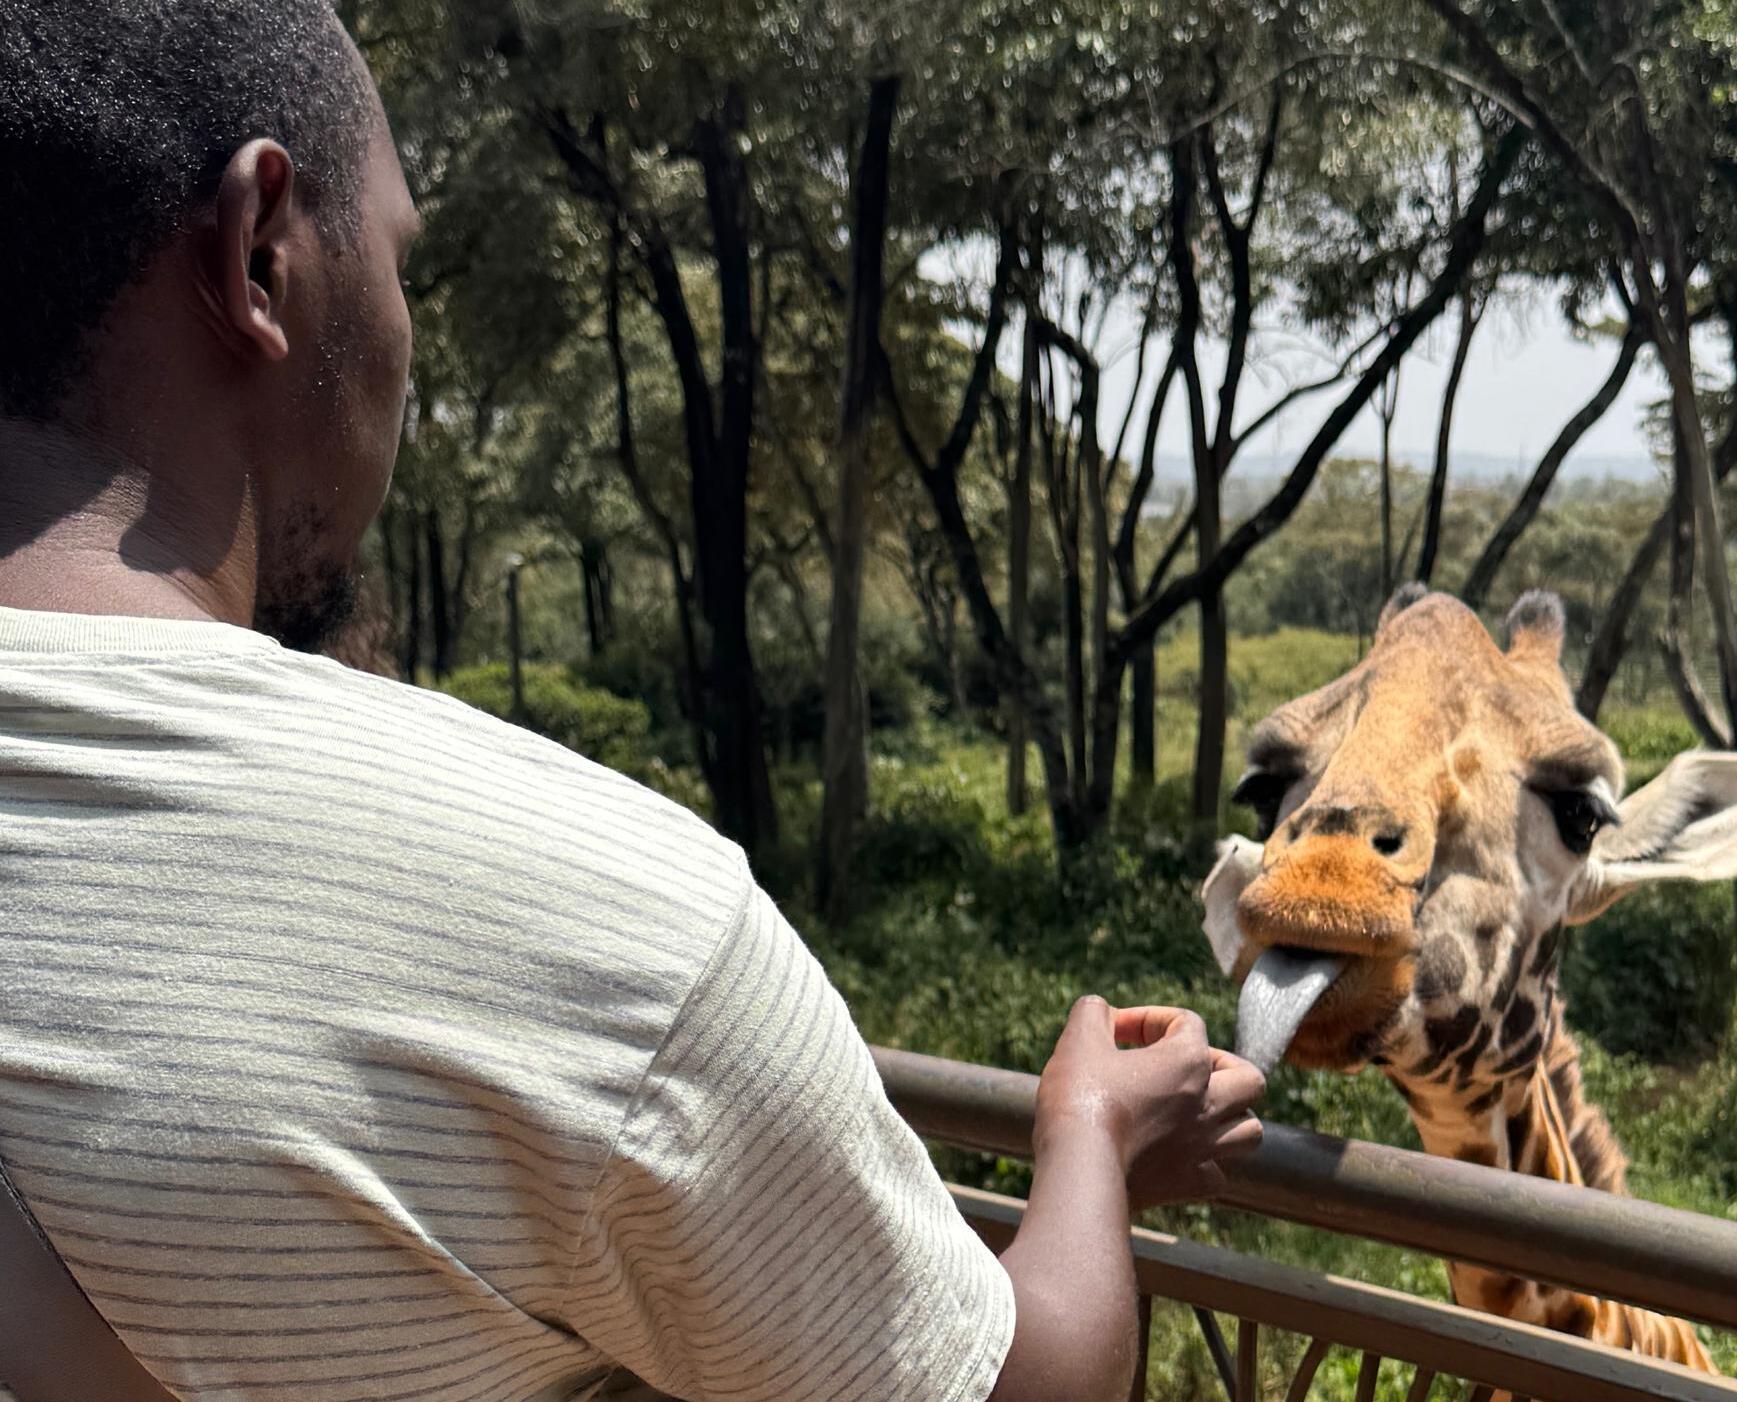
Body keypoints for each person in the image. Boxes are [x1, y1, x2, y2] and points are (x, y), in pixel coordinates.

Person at [0, 4, 1265, 1400]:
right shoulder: (612, 932)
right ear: (260, 254)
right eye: (400, 260)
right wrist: (1094, 1139)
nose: (407, 336)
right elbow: (1026, 1385)